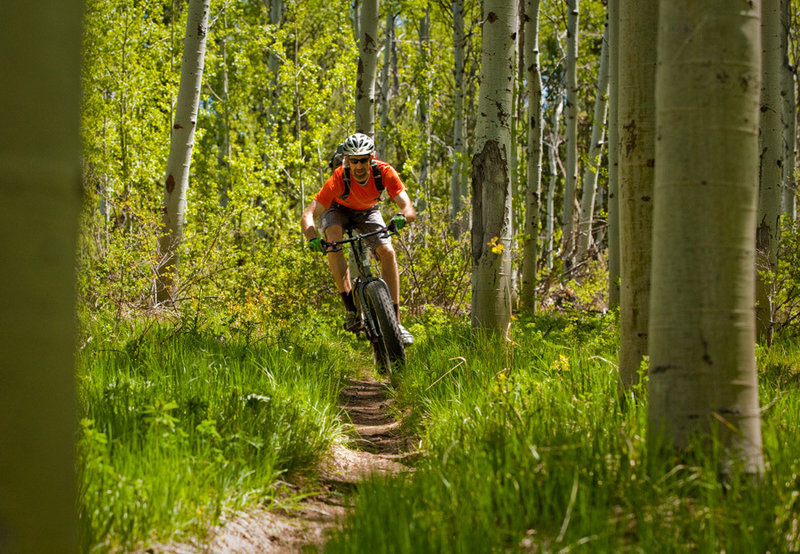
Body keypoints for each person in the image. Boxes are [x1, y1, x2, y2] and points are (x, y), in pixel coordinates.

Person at [300, 132, 416, 345]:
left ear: (372, 157)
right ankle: (351, 309)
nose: (359, 166)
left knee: (388, 251)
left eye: (364, 159)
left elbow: (408, 207)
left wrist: (402, 217)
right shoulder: (337, 178)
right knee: (333, 239)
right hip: (338, 209)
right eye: (354, 161)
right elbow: (308, 215)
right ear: (347, 160)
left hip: (368, 210)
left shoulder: (384, 172)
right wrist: (312, 238)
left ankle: (396, 322)